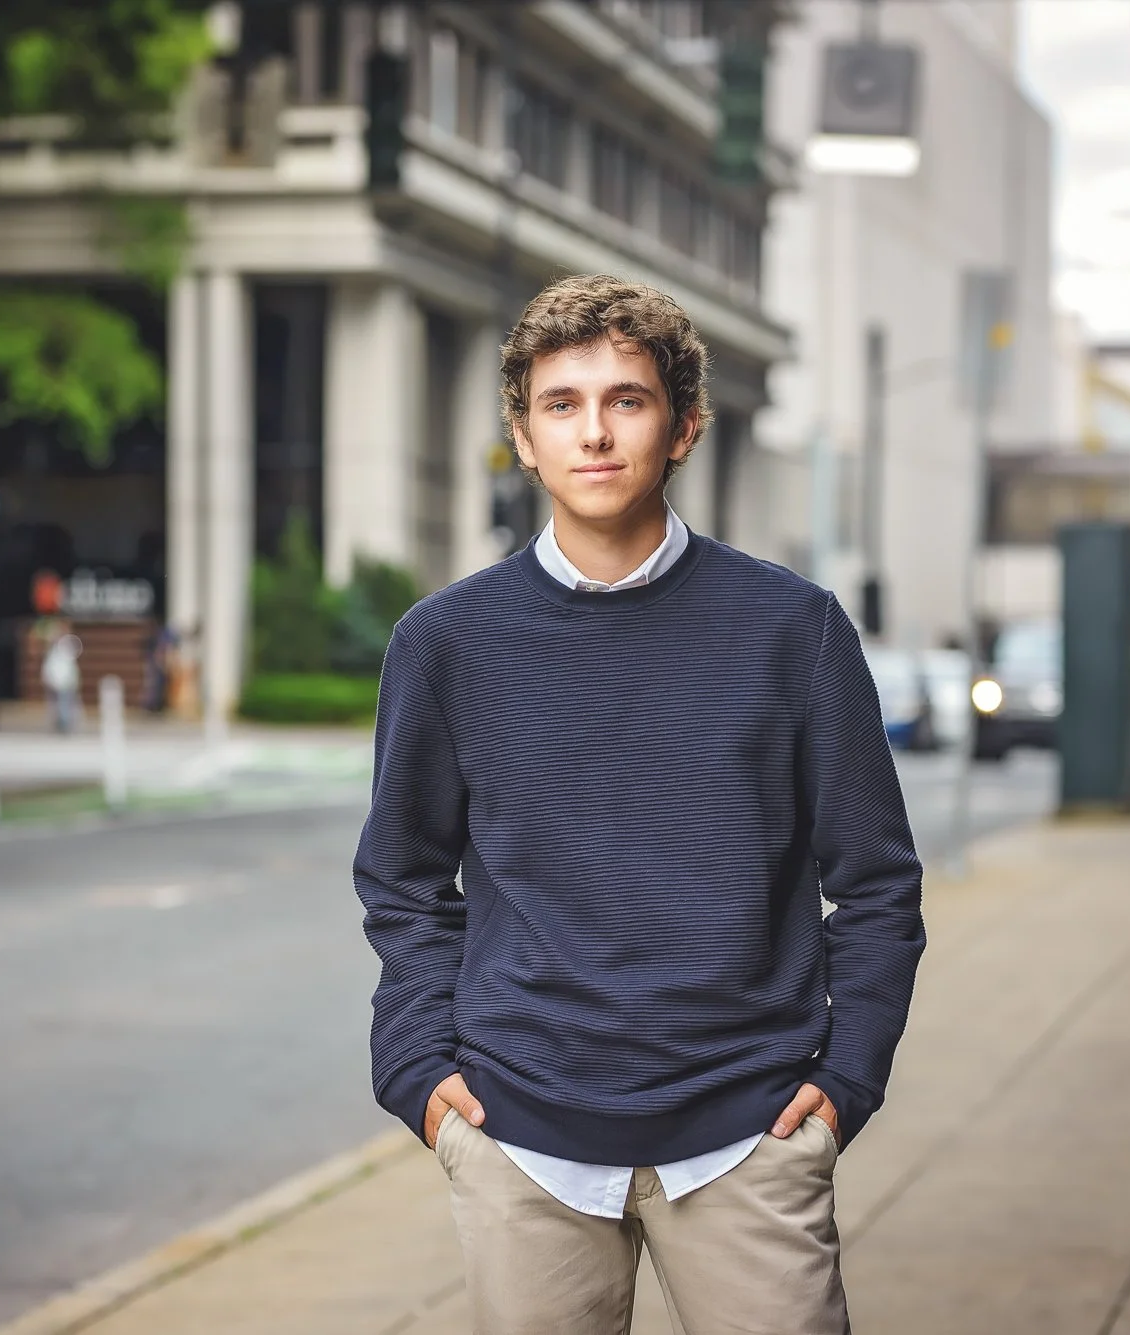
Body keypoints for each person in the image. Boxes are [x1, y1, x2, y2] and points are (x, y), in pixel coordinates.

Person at [354, 275, 925, 1335]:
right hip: (517, 1133)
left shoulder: (791, 632)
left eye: (626, 399)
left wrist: (847, 1078)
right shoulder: (444, 643)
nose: (594, 433)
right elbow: (401, 878)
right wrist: (418, 1071)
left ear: (682, 427)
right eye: (560, 405)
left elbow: (878, 884)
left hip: (747, 1129)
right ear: (522, 438)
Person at [40, 624, 83, 734]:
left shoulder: (66, 648)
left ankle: (65, 724)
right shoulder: (53, 651)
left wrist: (72, 680)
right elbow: (49, 666)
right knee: (56, 705)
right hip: (56, 681)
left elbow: (70, 667)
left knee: (65, 704)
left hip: (65, 681)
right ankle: (60, 723)